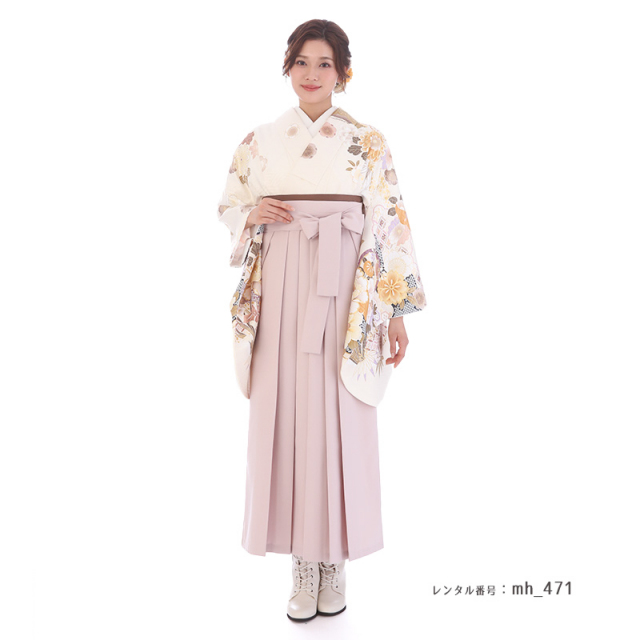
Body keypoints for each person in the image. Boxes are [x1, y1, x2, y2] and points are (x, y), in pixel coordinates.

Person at [217, 19, 427, 622]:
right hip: (283, 275)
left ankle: (333, 560)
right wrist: (251, 213)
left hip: (348, 282)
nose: (312, 74)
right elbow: (230, 204)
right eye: (302, 62)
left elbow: (388, 221)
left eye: (325, 64)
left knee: (342, 413)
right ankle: (300, 564)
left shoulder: (368, 142)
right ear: (287, 67)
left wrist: (394, 312)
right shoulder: (260, 140)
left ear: (343, 73)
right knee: (285, 413)